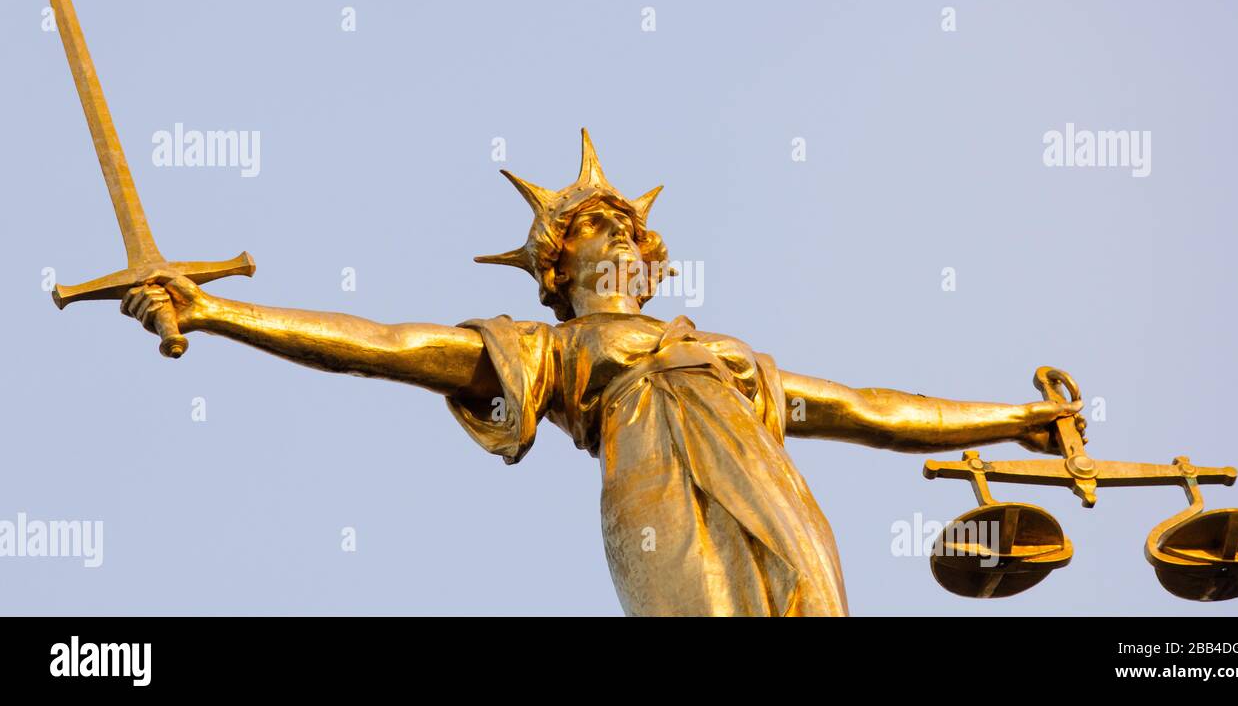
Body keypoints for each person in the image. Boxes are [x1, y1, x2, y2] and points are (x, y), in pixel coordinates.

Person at [121, 129, 1086, 616]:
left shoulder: (731, 357)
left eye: (628, 230)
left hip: (777, 501)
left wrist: (1014, 421)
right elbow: (390, 345)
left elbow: (871, 409)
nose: (617, 241)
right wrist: (219, 310)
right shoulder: (557, 352)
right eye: (593, 232)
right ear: (557, 268)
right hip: (656, 504)